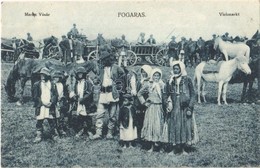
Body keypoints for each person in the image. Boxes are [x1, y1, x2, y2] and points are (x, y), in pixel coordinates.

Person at [163, 61, 199, 155]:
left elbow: (193, 94)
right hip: (174, 107)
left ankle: (183, 149)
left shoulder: (187, 80)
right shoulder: (170, 81)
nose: (175, 70)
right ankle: (173, 148)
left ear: (181, 69)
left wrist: (190, 107)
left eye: (177, 69)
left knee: (184, 126)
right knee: (173, 125)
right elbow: (165, 94)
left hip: (184, 107)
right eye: (174, 69)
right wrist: (167, 103)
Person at [91, 51, 125, 140]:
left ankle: (110, 132)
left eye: (104, 59)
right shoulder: (100, 69)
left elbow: (123, 76)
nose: (102, 61)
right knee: (99, 113)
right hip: (102, 94)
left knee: (112, 115)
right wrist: (96, 81)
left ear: (109, 59)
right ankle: (98, 132)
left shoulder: (116, 68)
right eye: (102, 60)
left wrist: (119, 88)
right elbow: (97, 78)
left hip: (112, 93)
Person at [137, 68, 165, 152]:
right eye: (155, 75)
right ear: (152, 76)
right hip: (151, 108)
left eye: (158, 75)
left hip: (159, 108)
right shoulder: (148, 84)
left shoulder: (162, 85)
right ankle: (152, 146)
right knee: (151, 126)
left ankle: (160, 146)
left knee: (159, 126)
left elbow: (166, 95)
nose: (156, 77)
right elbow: (139, 94)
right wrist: (144, 103)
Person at [32, 67, 58, 143]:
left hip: (50, 106)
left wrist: (52, 102)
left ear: (48, 75)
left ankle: (54, 134)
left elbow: (55, 95)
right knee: (39, 121)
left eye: (44, 75)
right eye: (41, 75)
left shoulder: (52, 84)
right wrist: (42, 103)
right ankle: (39, 135)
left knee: (51, 120)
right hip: (41, 106)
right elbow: (35, 96)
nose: (42, 76)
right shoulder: (37, 84)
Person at [69, 66, 94, 138]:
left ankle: (90, 130)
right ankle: (81, 129)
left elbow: (90, 92)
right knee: (80, 116)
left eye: (81, 74)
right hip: (79, 102)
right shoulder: (77, 83)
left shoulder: (87, 82)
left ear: (84, 74)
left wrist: (83, 99)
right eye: (79, 74)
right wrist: (74, 96)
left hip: (86, 103)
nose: (80, 75)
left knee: (88, 117)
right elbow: (76, 91)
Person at [52, 70, 67, 137]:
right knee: (55, 116)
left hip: (61, 101)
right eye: (55, 77)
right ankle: (55, 130)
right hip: (54, 102)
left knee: (61, 116)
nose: (56, 78)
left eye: (58, 77)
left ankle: (61, 129)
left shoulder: (62, 85)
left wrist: (63, 98)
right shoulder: (52, 85)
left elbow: (65, 93)